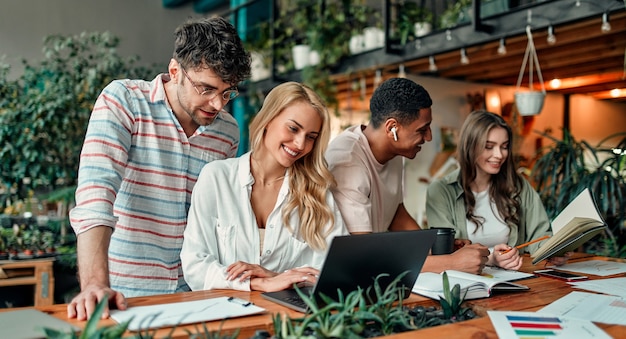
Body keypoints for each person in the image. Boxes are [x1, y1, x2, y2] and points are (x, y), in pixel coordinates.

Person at [67, 16, 251, 320]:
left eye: (227, 92)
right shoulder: (123, 102)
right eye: (206, 88)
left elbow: (215, 216)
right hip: (125, 292)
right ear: (175, 71)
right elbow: (95, 195)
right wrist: (95, 285)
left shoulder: (227, 132)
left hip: (197, 292)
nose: (218, 104)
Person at [181, 81, 349, 292]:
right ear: (268, 119)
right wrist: (260, 283)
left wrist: (277, 277)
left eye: (311, 137)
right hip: (225, 315)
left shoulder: (316, 192)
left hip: (292, 319)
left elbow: (339, 272)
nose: (299, 144)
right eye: (293, 128)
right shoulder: (217, 178)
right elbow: (194, 265)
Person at [326, 78, 490, 275]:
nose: (428, 137)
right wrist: (451, 263)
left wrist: (434, 247)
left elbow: (395, 213)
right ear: (391, 128)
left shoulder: (393, 152)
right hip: (336, 281)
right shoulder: (347, 160)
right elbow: (366, 255)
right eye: (422, 129)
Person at [426, 110, 568, 270]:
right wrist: (491, 259)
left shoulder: (519, 186)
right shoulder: (440, 191)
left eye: (504, 146)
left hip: (516, 281)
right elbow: (446, 254)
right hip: (464, 284)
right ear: (470, 146)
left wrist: (553, 249)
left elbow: (540, 235)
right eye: (489, 146)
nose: (499, 154)